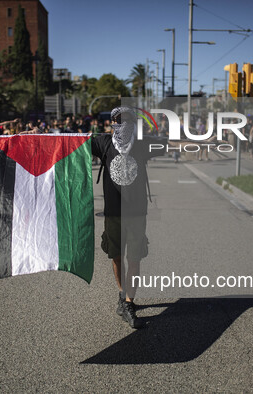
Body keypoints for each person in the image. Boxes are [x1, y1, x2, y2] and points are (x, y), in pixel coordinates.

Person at [91, 107, 165, 329]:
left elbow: (170, 143)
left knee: (133, 258)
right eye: (118, 120)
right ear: (112, 122)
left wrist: (207, 140)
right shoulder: (103, 142)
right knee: (115, 256)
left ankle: (128, 302)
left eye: (128, 120)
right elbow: (69, 143)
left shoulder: (142, 144)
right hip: (113, 213)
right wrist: (37, 134)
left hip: (136, 213)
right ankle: (122, 294)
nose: (123, 124)